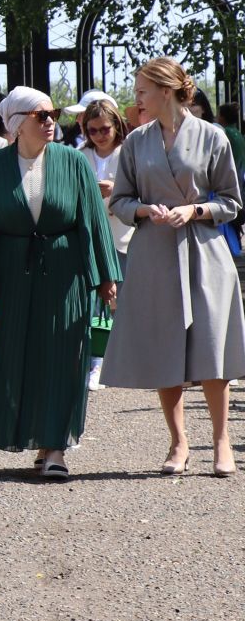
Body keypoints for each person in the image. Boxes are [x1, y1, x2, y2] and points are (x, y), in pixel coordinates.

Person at [0, 88, 120, 479]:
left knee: (63, 356)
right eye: (40, 115)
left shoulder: (73, 162)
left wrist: (106, 276)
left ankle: (55, 446)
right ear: (16, 123)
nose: (49, 121)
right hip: (11, 273)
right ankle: (32, 436)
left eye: (52, 114)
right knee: (21, 355)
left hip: (65, 272)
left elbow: (92, 220)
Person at [101, 57, 245, 477]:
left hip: (205, 251)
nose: (136, 97)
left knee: (212, 344)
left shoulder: (212, 137)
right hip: (155, 254)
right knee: (166, 345)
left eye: (142, 90)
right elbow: (120, 201)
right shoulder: (136, 142)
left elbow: (231, 202)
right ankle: (178, 442)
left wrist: (195, 209)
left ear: (166, 91)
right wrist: (145, 209)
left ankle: (222, 442)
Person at [78, 98, 131, 389]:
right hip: (90, 235)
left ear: (116, 126)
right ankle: (96, 362)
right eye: (93, 129)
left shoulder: (127, 152)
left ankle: (123, 361)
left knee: (124, 300)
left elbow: (141, 189)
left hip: (123, 234)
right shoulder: (79, 153)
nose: (99, 135)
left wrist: (115, 190)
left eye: (104, 129)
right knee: (94, 302)